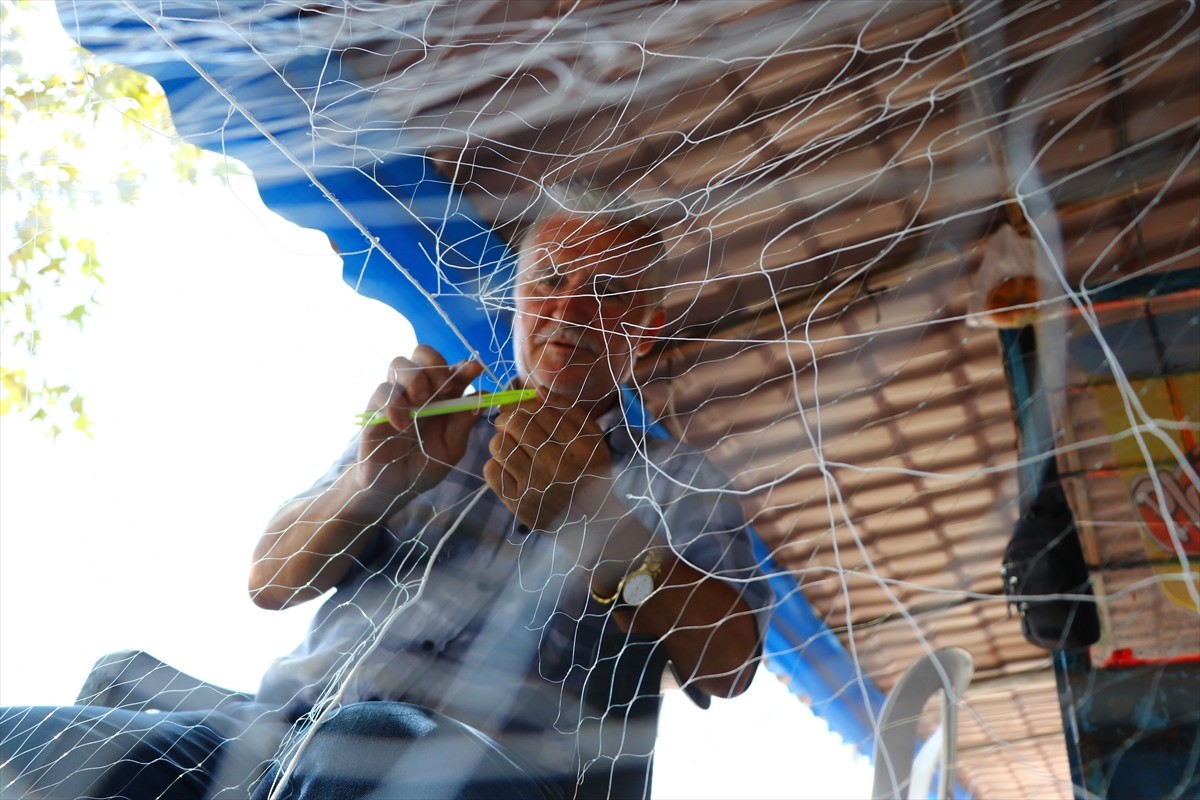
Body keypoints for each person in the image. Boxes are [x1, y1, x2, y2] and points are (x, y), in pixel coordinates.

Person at [0, 188, 770, 799]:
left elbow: (730, 663)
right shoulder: (434, 421)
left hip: (482, 772)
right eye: (550, 281)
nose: (569, 313)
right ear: (516, 296)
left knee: (368, 742)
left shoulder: (681, 480)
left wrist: (597, 518)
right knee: (25, 742)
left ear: (648, 329)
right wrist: (373, 483)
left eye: (607, 293)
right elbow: (269, 581)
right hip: (269, 735)